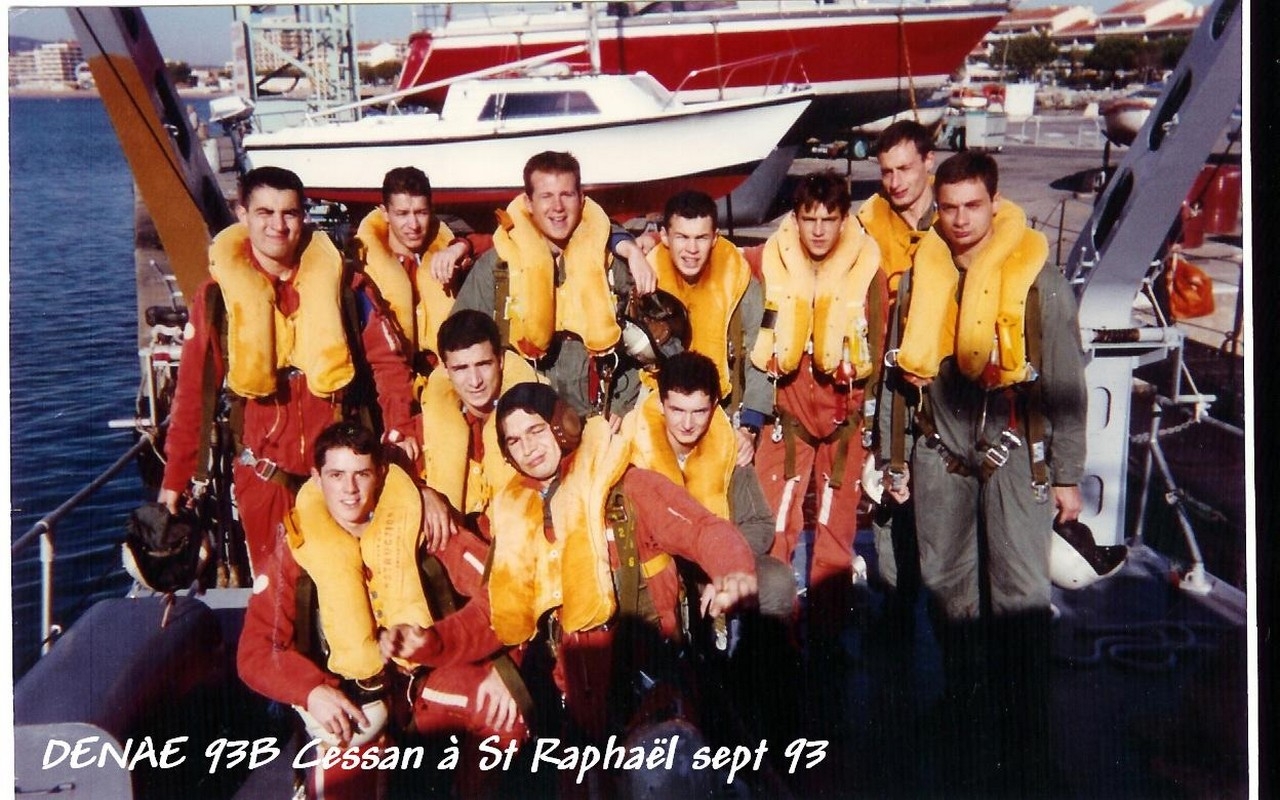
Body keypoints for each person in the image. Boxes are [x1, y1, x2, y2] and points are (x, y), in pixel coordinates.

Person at [885, 151, 1086, 794]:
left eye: (973, 205)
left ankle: (1025, 736)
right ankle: (964, 704)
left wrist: (1067, 472)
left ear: (994, 204)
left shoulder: (1038, 282)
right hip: (938, 454)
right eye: (949, 208)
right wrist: (893, 458)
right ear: (936, 210)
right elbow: (896, 379)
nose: (961, 219)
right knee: (947, 588)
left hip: (1016, 453)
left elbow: (1066, 382)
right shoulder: (919, 279)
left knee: (1019, 596)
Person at [238, 422, 528, 800]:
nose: (350, 489)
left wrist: (504, 669)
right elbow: (256, 651)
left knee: (503, 716)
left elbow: (507, 596)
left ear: (379, 474)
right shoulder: (297, 548)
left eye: (361, 474)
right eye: (336, 475)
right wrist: (311, 692)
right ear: (316, 477)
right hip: (351, 700)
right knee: (339, 788)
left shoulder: (420, 523)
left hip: (425, 681)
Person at [158, 167, 418, 577]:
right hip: (264, 478)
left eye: (290, 213)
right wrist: (176, 478)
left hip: (341, 476)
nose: (278, 226)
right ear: (242, 215)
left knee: (353, 585)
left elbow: (390, 367)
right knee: (277, 594)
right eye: (265, 213)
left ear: (304, 216)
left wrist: (399, 432)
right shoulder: (217, 299)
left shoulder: (346, 286)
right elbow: (193, 393)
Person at [487, 382, 757, 741]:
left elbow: (703, 530)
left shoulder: (627, 490)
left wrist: (732, 571)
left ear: (563, 425)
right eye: (514, 440)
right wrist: (442, 646)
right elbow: (489, 608)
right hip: (572, 696)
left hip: (645, 687)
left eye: (536, 430)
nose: (528, 448)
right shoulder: (518, 518)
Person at [749, 170, 886, 641]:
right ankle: (775, 633)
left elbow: (878, 351)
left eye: (829, 219)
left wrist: (874, 431)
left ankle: (828, 637)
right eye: (810, 219)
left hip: (844, 420)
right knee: (774, 527)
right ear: (796, 218)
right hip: (787, 415)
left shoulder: (868, 274)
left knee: (835, 533)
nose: (819, 230)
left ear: (845, 219)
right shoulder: (768, 262)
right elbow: (723, 264)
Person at [451, 151, 656, 421]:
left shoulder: (611, 266)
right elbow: (457, 348)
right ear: (528, 202)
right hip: (524, 421)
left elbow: (656, 351)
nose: (557, 207)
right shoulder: (497, 268)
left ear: (581, 198)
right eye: (546, 196)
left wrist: (622, 404)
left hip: (600, 417)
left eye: (566, 195)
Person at [620, 351, 795, 621]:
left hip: (717, 560)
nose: (687, 424)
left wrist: (722, 567)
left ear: (713, 406)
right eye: (677, 410)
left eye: (699, 412)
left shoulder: (728, 449)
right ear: (662, 404)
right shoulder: (633, 450)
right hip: (659, 565)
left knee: (776, 580)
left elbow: (760, 523)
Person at [856, 120, 937, 641]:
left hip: (943, 386)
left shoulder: (958, 219)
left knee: (946, 497)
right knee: (888, 490)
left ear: (929, 162)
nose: (896, 181)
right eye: (887, 172)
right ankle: (896, 605)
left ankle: (949, 611)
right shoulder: (868, 225)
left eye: (906, 168)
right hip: (888, 385)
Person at [646, 190, 771, 466]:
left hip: (722, 409)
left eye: (701, 238)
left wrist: (749, 428)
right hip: (658, 407)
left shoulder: (742, 286)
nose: (692, 249)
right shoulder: (645, 282)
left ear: (715, 238)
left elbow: (760, 356)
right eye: (682, 237)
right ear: (664, 236)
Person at [352, 166, 477, 376]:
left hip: (446, 375)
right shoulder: (362, 265)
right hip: (388, 376)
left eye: (421, 213)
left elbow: (497, 245)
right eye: (402, 214)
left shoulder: (448, 251)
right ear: (385, 213)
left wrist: (461, 246)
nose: (414, 225)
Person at [418, 309, 539, 518]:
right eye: (461, 368)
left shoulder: (543, 417)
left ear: (500, 361)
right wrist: (422, 493)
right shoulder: (424, 425)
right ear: (446, 371)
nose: (475, 381)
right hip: (456, 536)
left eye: (483, 364)